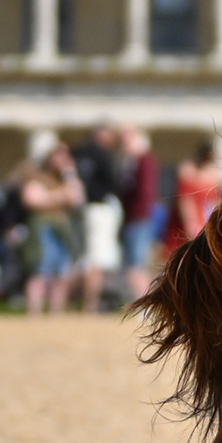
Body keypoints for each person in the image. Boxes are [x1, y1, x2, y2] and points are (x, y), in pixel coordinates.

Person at [20, 142, 84, 315]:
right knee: (40, 272)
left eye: (65, 156)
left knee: (62, 274)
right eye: (58, 155)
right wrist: (61, 195)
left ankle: (56, 315)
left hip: (63, 229)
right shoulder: (37, 176)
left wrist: (69, 174)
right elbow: (32, 199)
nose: (62, 159)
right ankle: (34, 313)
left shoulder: (66, 179)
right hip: (43, 229)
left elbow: (78, 199)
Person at [71, 123, 125, 313]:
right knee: (96, 261)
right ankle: (90, 306)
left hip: (82, 210)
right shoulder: (102, 155)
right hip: (99, 209)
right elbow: (114, 184)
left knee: (85, 258)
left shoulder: (77, 152)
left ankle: (80, 304)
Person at [118, 126, 161, 299]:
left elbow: (145, 192)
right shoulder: (134, 162)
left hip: (139, 219)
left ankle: (146, 305)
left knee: (135, 267)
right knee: (136, 267)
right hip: (136, 219)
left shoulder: (144, 161)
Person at [162, 142, 222, 257]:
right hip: (188, 228)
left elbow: (216, 202)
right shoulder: (188, 174)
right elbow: (185, 204)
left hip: (203, 225)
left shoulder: (211, 176)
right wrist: (192, 228)